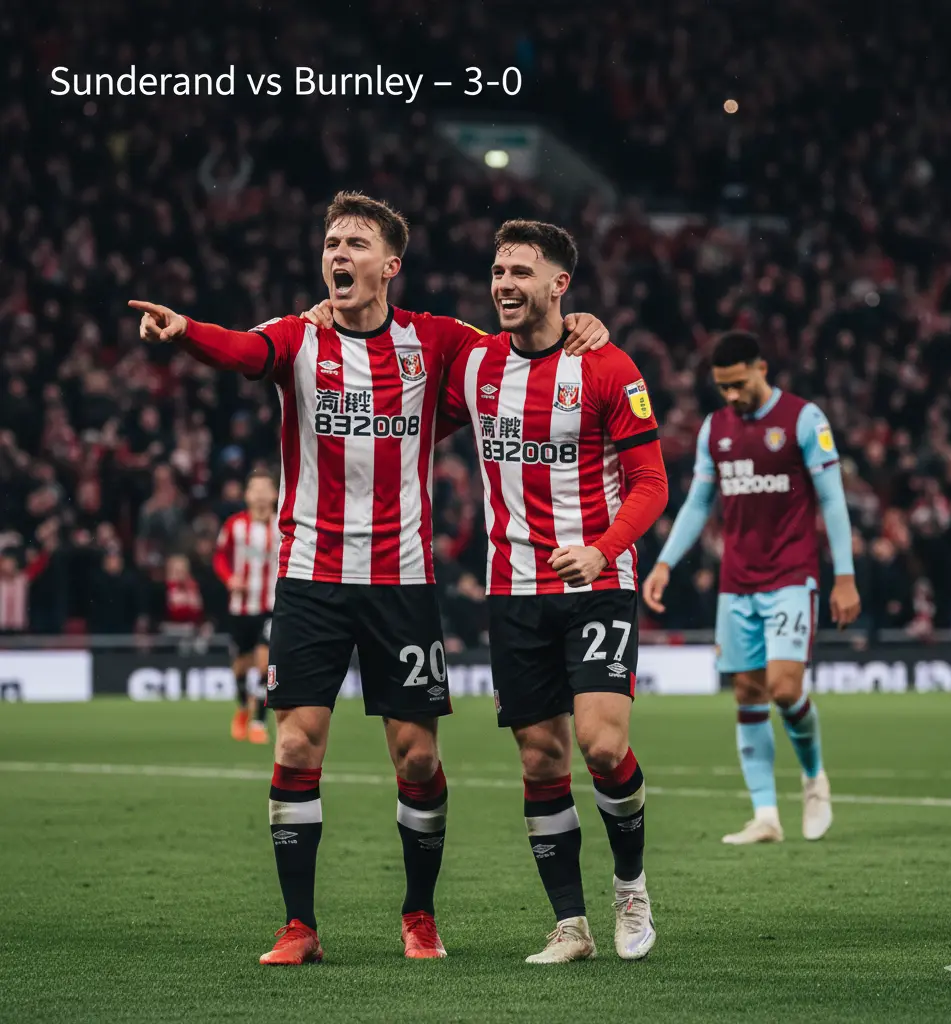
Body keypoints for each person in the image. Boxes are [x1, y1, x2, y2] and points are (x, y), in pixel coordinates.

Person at [128, 191, 609, 966]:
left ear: (391, 266)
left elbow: (518, 345)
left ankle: (418, 915)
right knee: (293, 743)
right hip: (310, 578)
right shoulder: (296, 338)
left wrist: (582, 325)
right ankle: (299, 926)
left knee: (417, 759)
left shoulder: (437, 341)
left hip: (402, 582)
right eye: (330, 243)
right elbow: (244, 353)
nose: (338, 254)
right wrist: (186, 332)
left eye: (355, 243)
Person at [439, 220, 668, 963]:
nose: (504, 284)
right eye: (498, 270)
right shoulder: (475, 365)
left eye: (521, 272)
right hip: (514, 590)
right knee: (541, 761)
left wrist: (601, 552)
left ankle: (630, 887)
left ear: (559, 284)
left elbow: (651, 483)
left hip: (598, 584)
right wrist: (321, 317)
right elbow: (389, 349)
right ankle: (571, 925)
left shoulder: (607, 367)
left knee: (603, 746)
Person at [642, 331, 861, 845]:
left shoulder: (804, 420)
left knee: (785, 688)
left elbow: (831, 500)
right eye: (723, 387)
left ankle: (814, 778)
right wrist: (665, 565)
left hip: (791, 575)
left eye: (739, 384)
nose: (732, 396)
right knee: (746, 692)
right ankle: (765, 815)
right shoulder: (715, 429)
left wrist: (845, 576)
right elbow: (698, 504)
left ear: (762, 368)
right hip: (736, 583)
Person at [213, 468, 280, 745]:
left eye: (266, 488)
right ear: (247, 495)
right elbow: (219, 557)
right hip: (241, 607)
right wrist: (230, 579)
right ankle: (242, 707)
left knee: (265, 663)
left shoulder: (283, 525)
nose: (261, 494)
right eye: (256, 488)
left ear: (275, 494)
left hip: (272, 606)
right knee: (240, 666)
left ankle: (258, 722)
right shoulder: (234, 526)